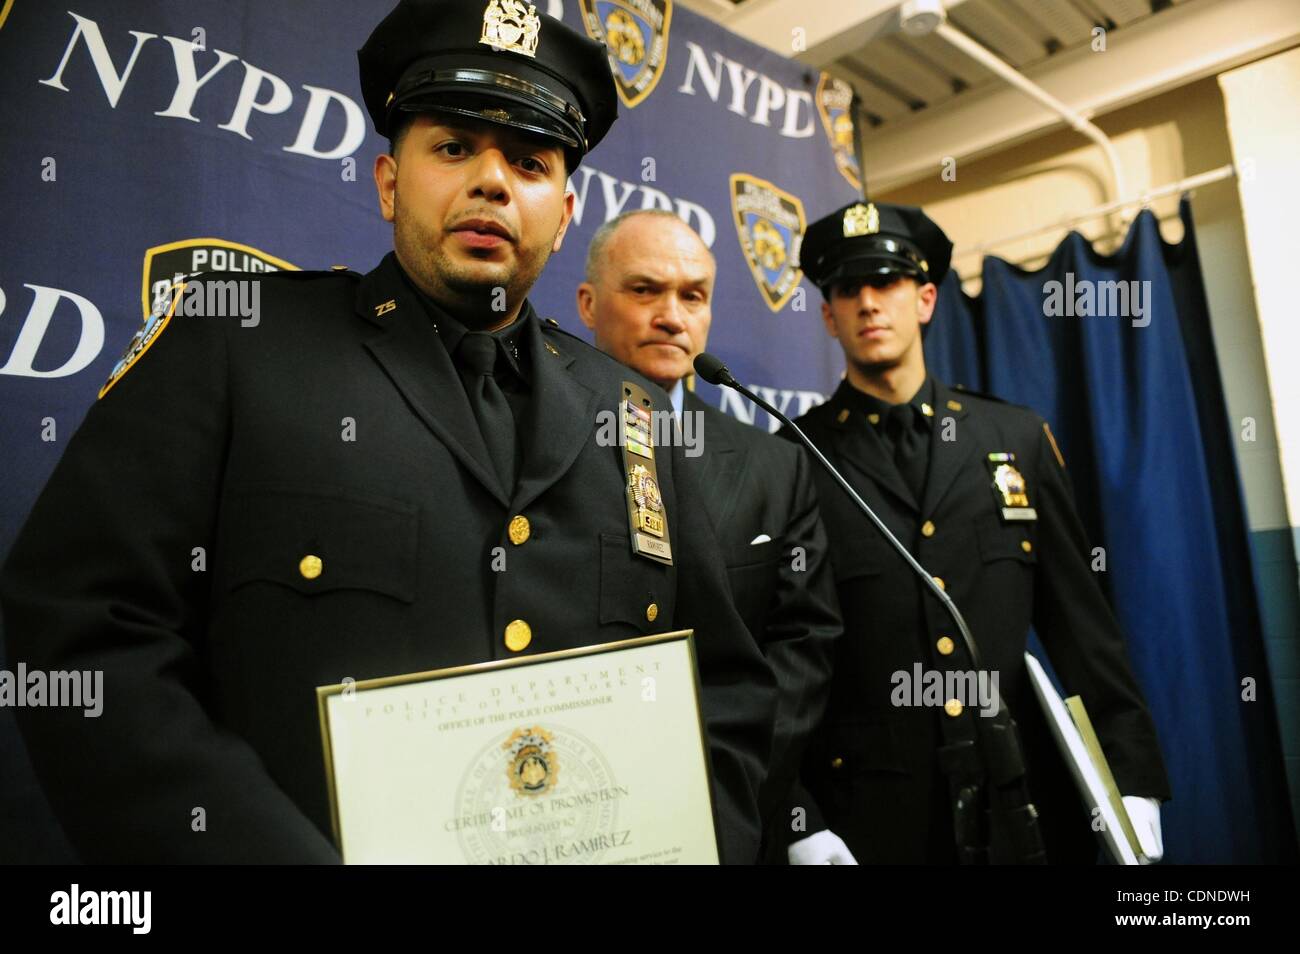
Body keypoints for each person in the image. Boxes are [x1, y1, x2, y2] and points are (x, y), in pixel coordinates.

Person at [0, 0, 775, 864]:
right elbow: (90, 636)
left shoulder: (630, 410)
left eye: (528, 160)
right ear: (387, 182)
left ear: (561, 214)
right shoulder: (234, 342)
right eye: (452, 148)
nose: (491, 181)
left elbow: (728, 689)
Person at [781, 200, 1171, 865]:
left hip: (1021, 804)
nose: (869, 303)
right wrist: (799, 821)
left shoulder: (1013, 439)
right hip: (874, 822)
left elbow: (1083, 630)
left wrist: (1131, 779)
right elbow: (786, 665)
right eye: (848, 289)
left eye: (887, 282)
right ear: (828, 315)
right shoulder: (792, 460)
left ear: (927, 299)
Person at [576, 210, 842, 858]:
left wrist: (729, 798)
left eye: (692, 296)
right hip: (576, 805)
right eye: (645, 291)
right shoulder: (525, 436)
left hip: (734, 815)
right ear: (588, 304)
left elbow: (800, 647)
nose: (672, 315)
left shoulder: (774, 465)